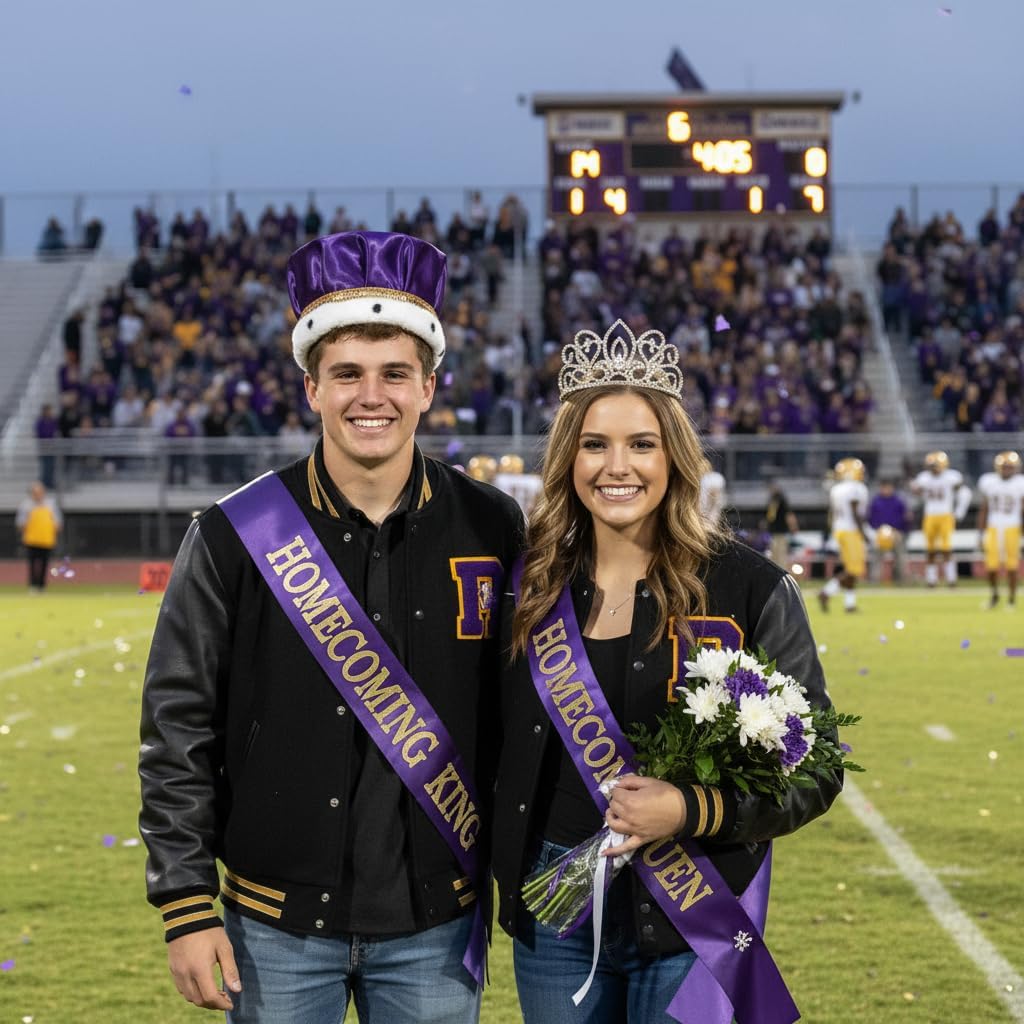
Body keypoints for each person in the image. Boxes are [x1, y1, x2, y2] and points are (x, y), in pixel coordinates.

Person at [138, 231, 523, 1023]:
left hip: (436, 919)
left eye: (394, 374)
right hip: (268, 923)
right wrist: (185, 902)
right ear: (311, 387)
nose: (369, 395)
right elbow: (176, 726)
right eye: (345, 373)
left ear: (430, 386)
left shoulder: (495, 524)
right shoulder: (231, 533)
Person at [493, 320, 841, 1022]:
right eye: (595, 444)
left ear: (674, 457)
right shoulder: (524, 588)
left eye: (641, 444)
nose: (616, 466)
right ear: (568, 458)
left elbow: (818, 765)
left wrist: (690, 809)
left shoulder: (751, 588)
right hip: (556, 905)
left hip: (694, 908)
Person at [818, 459, 870, 613]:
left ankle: (850, 604)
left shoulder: (836, 489)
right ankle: (826, 592)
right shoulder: (856, 488)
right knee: (854, 570)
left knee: (850, 568)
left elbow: (832, 514)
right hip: (851, 530)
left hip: (839, 530)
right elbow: (855, 512)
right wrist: (863, 532)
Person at [976, 450, 1024, 607]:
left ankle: (1011, 599)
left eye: (1010, 467)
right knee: (991, 565)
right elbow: (984, 509)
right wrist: (980, 533)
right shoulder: (989, 482)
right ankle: (994, 596)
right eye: (1004, 467)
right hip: (994, 527)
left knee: (1012, 566)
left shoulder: (1020, 483)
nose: (1007, 470)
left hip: (1013, 527)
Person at [911, 450, 964, 587]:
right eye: (931, 465)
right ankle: (931, 579)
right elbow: (916, 492)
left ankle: (951, 579)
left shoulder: (952, 477)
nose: (934, 468)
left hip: (946, 515)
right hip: (930, 515)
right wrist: (915, 489)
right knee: (930, 550)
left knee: (947, 549)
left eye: (936, 465)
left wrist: (958, 512)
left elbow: (964, 493)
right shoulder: (923, 478)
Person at [16, 482, 62, 592]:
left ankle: (42, 586)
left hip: (46, 539)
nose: (38, 495)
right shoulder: (26, 505)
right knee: (32, 564)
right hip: (31, 540)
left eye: (40, 492)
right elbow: (20, 522)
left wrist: (55, 530)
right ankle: (32, 585)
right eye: (35, 492)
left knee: (45, 564)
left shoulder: (51, 504)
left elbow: (58, 522)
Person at [867, 479, 910, 583]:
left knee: (900, 556)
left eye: (888, 487)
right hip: (880, 533)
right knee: (877, 557)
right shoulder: (876, 501)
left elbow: (906, 517)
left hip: (896, 533)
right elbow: (871, 517)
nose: (886, 490)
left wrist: (900, 530)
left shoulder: (898, 501)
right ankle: (874, 579)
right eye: (884, 487)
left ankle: (901, 579)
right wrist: (877, 529)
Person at [761, 479, 799, 567]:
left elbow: (788, 514)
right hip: (773, 531)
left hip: (781, 531)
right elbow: (770, 515)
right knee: (774, 553)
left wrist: (793, 525)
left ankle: (781, 571)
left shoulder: (781, 499)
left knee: (780, 553)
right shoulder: (772, 499)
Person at [697, 457, 726, 526]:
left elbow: (714, 497)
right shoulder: (697, 479)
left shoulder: (713, 478)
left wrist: (708, 514)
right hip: (701, 516)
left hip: (708, 516)